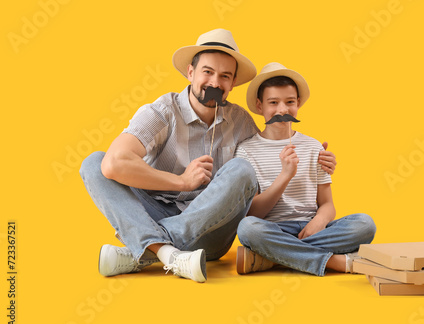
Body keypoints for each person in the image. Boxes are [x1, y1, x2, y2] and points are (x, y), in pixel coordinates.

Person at [79, 30, 337, 283]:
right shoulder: (162, 112)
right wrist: (181, 182)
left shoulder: (241, 122)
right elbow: (115, 163)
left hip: (211, 232)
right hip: (153, 211)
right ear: (190, 73)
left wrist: (312, 156)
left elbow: (264, 157)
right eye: (208, 72)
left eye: (225, 76)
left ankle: (145, 246)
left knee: (241, 169)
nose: (215, 83)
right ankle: (169, 255)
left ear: (233, 83)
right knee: (95, 163)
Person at [235, 63, 376, 276]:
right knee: (247, 228)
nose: (282, 110)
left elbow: (327, 204)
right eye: (273, 102)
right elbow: (254, 212)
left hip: (312, 228)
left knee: (365, 225)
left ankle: (273, 257)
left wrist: (319, 222)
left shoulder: (313, 147)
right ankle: (333, 262)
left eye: (289, 102)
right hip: (274, 229)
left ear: (298, 103)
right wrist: (285, 175)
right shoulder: (246, 151)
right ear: (259, 105)